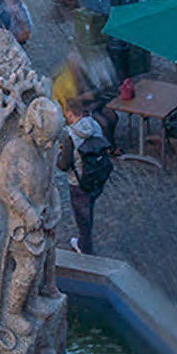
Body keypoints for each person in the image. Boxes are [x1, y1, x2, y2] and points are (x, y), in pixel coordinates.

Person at [56, 99, 113, 254]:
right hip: (97, 176)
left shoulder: (69, 135)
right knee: (90, 206)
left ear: (68, 113)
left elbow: (63, 165)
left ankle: (84, 247)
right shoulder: (94, 124)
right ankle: (84, 239)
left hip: (79, 182)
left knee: (82, 216)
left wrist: (58, 154)